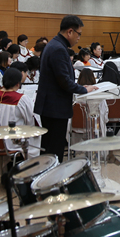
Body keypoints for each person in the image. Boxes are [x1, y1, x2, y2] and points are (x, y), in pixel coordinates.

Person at [34, 16, 97, 162]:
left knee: (49, 149)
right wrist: (84, 90)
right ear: (70, 32)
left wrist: (80, 87)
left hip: (50, 106)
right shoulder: (58, 49)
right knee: (54, 151)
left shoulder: (54, 45)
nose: (79, 38)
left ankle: (48, 174)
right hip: (55, 108)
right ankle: (52, 176)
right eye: (79, 34)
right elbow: (64, 81)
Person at [0, 66, 40, 168]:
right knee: (34, 131)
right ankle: (27, 167)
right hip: (12, 141)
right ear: (18, 84)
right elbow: (32, 121)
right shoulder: (21, 99)